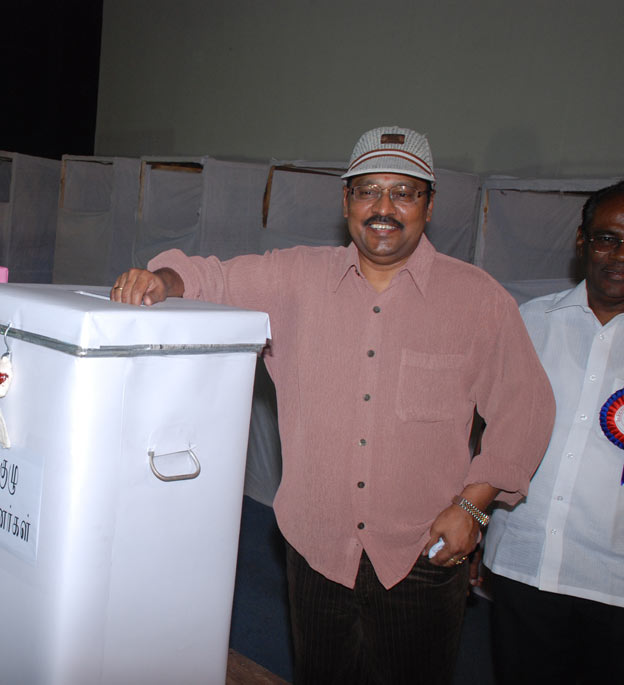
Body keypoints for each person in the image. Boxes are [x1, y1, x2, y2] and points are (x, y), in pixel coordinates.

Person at [111, 126, 556, 685]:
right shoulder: (295, 277)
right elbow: (214, 275)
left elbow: (526, 408)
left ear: (429, 205)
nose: (384, 208)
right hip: (315, 548)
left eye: (404, 192)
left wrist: (473, 507)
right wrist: (160, 278)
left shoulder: (478, 300)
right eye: (368, 190)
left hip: (423, 552)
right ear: (346, 200)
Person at [482, 180, 624, 685]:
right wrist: (476, 523)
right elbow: (491, 433)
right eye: (607, 238)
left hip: (615, 583)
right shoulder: (529, 322)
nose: (619, 256)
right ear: (582, 241)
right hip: (524, 565)